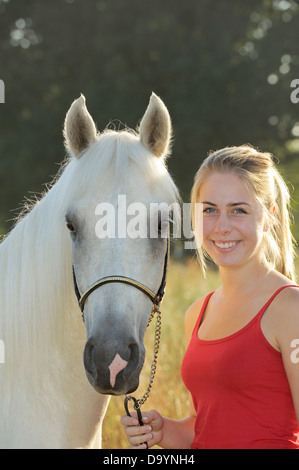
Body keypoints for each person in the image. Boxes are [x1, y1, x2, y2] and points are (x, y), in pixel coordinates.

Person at [121, 145, 299, 449]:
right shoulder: (198, 313)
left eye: (238, 210)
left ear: (268, 216)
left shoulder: (289, 309)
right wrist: (161, 431)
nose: (222, 226)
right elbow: (202, 429)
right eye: (210, 210)